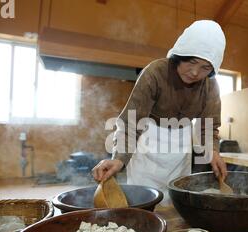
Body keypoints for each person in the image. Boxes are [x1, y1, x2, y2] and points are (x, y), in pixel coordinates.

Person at [92, 20, 228, 204]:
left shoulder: (210, 85)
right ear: (180, 55)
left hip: (181, 152)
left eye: (205, 68)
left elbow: (208, 127)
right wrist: (118, 158)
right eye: (192, 61)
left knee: (177, 202)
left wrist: (213, 151)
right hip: (148, 147)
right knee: (144, 203)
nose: (195, 72)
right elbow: (130, 122)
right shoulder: (155, 73)